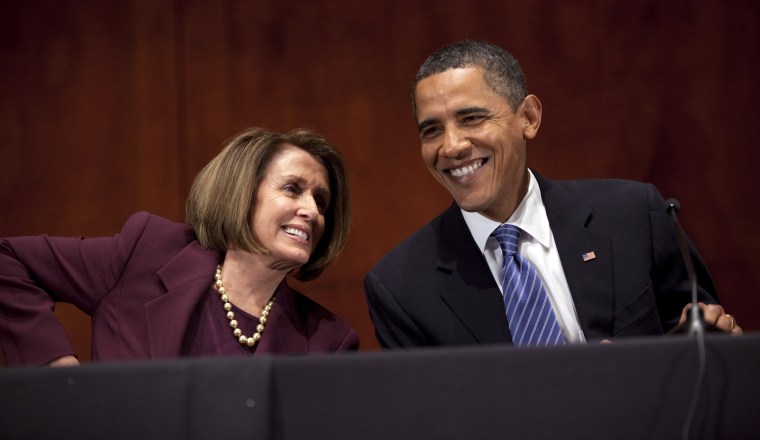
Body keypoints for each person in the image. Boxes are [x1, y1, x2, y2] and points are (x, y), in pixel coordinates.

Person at [364, 40, 741, 348]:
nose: (451, 146)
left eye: (471, 118)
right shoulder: (401, 289)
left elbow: (708, 351)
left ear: (528, 117)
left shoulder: (633, 215)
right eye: (431, 130)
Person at [0, 127, 358, 366]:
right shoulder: (144, 256)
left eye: (321, 201)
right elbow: (9, 260)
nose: (312, 212)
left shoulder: (329, 342)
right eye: (293, 189)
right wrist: (58, 370)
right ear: (240, 194)